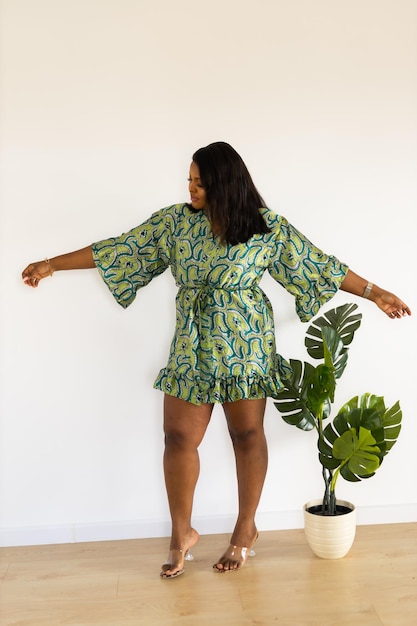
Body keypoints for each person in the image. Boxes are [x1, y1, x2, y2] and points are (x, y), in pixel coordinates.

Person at [22, 141, 411, 579]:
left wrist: (375, 292)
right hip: (192, 345)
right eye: (189, 180)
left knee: (246, 434)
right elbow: (120, 249)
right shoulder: (173, 224)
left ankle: (245, 530)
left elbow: (318, 265)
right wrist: (51, 264)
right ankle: (181, 534)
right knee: (177, 439)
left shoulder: (266, 228)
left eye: (200, 182)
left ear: (224, 184)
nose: (191, 188)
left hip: (246, 346)